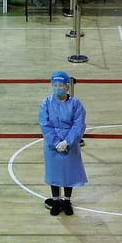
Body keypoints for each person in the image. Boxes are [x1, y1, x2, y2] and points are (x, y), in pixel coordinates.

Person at [38, 70, 87, 216]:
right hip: (52, 146)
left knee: (68, 173)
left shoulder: (75, 104)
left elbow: (79, 124)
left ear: (67, 87)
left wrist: (67, 142)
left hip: (69, 145)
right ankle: (56, 200)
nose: (58, 88)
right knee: (54, 172)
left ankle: (66, 200)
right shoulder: (46, 103)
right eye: (55, 85)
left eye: (61, 85)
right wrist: (55, 142)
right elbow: (44, 125)